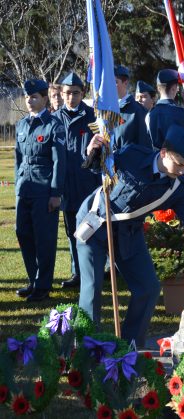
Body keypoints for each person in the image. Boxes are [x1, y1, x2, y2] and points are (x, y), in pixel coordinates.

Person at [78, 125, 184, 347]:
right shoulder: (132, 155)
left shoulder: (178, 189)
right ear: (164, 153)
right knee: (91, 290)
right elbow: (99, 166)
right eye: (179, 164)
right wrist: (93, 152)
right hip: (96, 224)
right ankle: (84, 350)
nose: (183, 171)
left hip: (129, 233)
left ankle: (129, 348)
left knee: (149, 288)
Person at [14, 79, 66, 302]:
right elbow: (18, 158)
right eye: (27, 97)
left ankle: (43, 285)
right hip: (25, 188)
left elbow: (59, 161)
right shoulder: (22, 124)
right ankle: (33, 280)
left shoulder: (54, 125)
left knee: (44, 238)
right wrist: (18, 184)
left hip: (45, 189)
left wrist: (55, 193)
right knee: (23, 233)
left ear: (45, 99)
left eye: (34, 96)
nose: (29, 100)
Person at [54, 72, 101, 289]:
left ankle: (97, 269)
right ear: (61, 94)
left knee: (92, 229)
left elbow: (103, 147)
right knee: (72, 231)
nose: (71, 97)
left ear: (82, 93)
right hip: (66, 184)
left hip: (88, 183)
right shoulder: (55, 119)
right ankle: (77, 273)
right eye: (67, 93)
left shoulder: (93, 117)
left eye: (75, 93)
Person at [146, 69, 184, 150]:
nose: (177, 90)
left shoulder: (149, 115)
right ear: (173, 88)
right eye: (177, 88)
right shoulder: (182, 114)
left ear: (158, 88)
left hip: (156, 160)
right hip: (178, 160)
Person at [113, 65, 152, 150]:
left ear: (125, 83)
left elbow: (143, 149)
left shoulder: (138, 111)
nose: (110, 86)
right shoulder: (104, 110)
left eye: (115, 82)